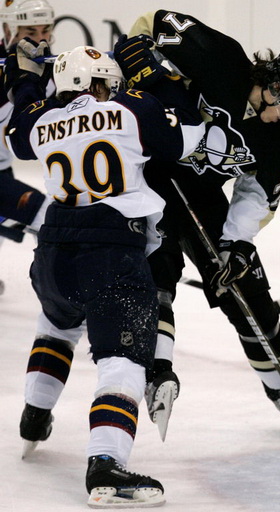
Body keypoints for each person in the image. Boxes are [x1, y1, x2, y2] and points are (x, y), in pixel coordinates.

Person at [5, 38, 204, 507]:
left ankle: (35, 415)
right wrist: (157, 79)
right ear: (102, 84)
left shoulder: (43, 119)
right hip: (112, 248)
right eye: (107, 83)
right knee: (122, 361)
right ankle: (105, 467)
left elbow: (17, 133)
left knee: (55, 326)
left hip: (53, 246)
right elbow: (181, 141)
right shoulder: (132, 108)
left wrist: (27, 80)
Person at [112, 9, 280, 429]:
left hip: (201, 194)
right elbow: (151, 21)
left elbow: (256, 193)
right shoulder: (221, 57)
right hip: (149, 175)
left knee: (247, 289)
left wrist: (238, 243)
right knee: (158, 272)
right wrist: (134, 54)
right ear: (273, 84)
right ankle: (156, 374)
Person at [0, 0, 55, 293]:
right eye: (29, 31)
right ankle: (65, 301)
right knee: (48, 216)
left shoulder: (50, 70)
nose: (40, 39)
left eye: (46, 30)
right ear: (9, 30)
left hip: (3, 167)